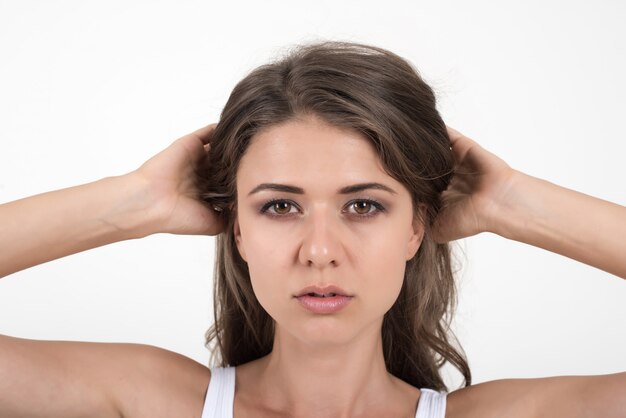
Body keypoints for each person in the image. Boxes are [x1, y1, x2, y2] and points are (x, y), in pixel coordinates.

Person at [0, 41, 624, 418]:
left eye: (363, 206)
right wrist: (134, 201)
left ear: (418, 229)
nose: (320, 251)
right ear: (236, 229)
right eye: (279, 207)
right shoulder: (151, 400)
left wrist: (515, 202)